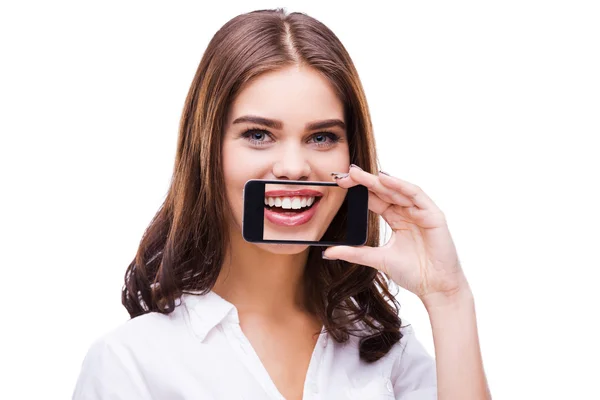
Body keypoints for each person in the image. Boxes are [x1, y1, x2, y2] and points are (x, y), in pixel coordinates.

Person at [73, 8, 490, 400]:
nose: (293, 167)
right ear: (207, 152)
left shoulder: (387, 354)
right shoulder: (129, 363)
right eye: (258, 135)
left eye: (322, 137)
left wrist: (448, 296)